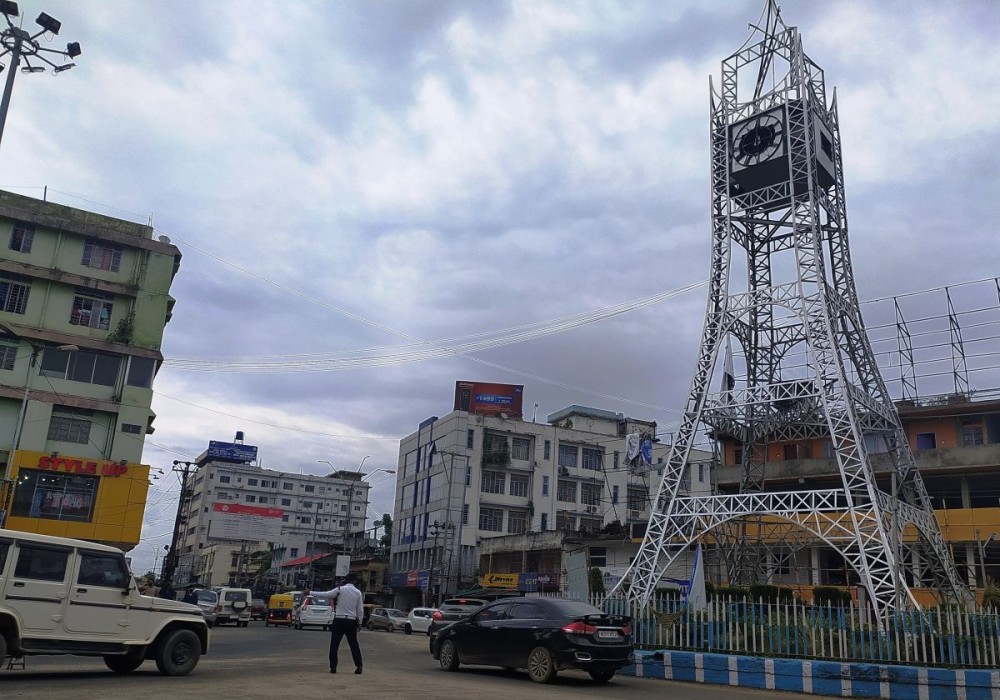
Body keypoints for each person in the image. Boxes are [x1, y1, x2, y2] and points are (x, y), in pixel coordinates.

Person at [311, 574, 364, 674]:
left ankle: (333, 667)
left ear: (346, 581)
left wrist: (310, 592)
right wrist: (360, 622)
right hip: (351, 621)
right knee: (354, 644)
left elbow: (325, 594)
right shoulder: (358, 593)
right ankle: (359, 666)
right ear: (355, 582)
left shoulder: (339, 590)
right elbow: (360, 610)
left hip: (339, 620)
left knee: (334, 645)